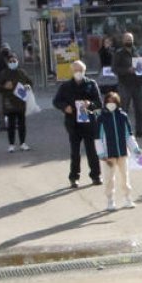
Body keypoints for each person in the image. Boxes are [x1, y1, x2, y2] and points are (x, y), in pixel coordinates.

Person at [53, 60, 102, 189]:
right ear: (72, 71)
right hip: (72, 122)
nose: (78, 73)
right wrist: (65, 107)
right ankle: (74, 177)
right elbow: (56, 101)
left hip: (88, 122)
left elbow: (99, 102)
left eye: (80, 71)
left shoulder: (91, 84)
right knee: (75, 152)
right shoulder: (65, 86)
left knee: (91, 150)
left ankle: (96, 175)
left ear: (84, 71)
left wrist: (90, 104)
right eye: (75, 70)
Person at [97, 91, 137, 211]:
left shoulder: (122, 116)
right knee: (109, 178)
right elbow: (98, 137)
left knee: (125, 176)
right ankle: (110, 200)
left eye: (113, 102)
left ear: (117, 103)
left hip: (122, 153)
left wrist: (135, 148)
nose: (111, 104)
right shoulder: (101, 118)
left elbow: (128, 134)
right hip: (107, 154)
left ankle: (128, 198)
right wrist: (101, 154)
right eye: (108, 102)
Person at [113, 32, 142, 138]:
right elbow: (114, 69)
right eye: (127, 39)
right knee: (124, 109)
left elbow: (140, 66)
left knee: (139, 109)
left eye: (130, 39)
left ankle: (139, 130)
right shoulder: (119, 53)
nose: (129, 41)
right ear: (123, 41)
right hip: (125, 84)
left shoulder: (136, 51)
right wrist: (127, 70)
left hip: (137, 84)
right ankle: (122, 132)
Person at [0, 52, 33, 152]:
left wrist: (28, 86)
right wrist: (4, 86)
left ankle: (23, 143)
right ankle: (11, 144)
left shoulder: (22, 72)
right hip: (9, 102)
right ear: (7, 62)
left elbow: (30, 82)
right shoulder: (3, 73)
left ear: (17, 61)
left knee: (22, 124)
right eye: (10, 61)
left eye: (14, 61)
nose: (12, 62)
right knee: (11, 125)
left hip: (21, 101)